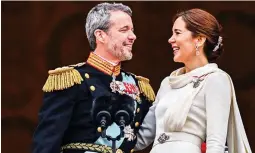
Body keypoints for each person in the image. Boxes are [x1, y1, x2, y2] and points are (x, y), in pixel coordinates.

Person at [32, 2, 155, 153]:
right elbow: (46, 142)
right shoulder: (73, 80)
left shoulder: (138, 85)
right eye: (124, 30)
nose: (133, 36)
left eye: (132, 30)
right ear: (100, 35)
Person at [135, 8, 252, 153]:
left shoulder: (215, 79)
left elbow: (216, 143)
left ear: (199, 39)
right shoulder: (168, 82)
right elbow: (140, 139)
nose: (170, 39)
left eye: (177, 33)